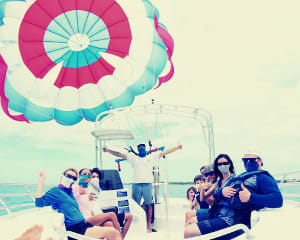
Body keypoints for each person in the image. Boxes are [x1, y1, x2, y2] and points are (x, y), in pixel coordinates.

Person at [103, 143, 182, 233]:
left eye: (143, 147)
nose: (141, 149)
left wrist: (177, 148)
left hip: (147, 185)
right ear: (137, 149)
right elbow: (119, 154)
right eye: (139, 148)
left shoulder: (152, 157)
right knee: (135, 206)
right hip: (136, 185)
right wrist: (108, 150)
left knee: (149, 205)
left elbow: (165, 152)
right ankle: (134, 226)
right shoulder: (133, 158)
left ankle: (148, 226)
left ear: (145, 148)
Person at [35, 168, 122, 240]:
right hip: (75, 228)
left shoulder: (70, 192)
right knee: (113, 233)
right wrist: (41, 181)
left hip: (83, 223)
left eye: (73, 178)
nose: (71, 179)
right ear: (62, 176)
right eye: (68, 176)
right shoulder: (56, 191)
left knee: (110, 226)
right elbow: (39, 202)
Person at [222, 150, 283, 228]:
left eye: (252, 160)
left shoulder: (263, 177)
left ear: (260, 160)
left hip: (237, 222)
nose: (248, 162)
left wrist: (251, 197)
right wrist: (223, 191)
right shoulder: (242, 175)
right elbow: (218, 193)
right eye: (244, 160)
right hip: (224, 213)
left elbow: (278, 200)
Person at [184, 154, 236, 238]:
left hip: (225, 218)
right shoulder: (218, 182)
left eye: (225, 163)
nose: (222, 166)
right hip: (215, 213)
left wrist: (220, 192)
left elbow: (213, 201)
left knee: (188, 231)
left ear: (230, 164)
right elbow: (202, 198)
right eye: (219, 164)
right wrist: (203, 189)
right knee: (191, 221)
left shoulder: (234, 180)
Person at [75, 168, 133, 238]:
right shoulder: (75, 188)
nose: (87, 176)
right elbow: (74, 195)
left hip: (95, 215)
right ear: (79, 176)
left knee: (110, 224)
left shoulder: (89, 189)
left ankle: (119, 238)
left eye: (88, 175)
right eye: (84, 174)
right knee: (111, 215)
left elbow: (90, 208)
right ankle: (120, 237)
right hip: (84, 219)